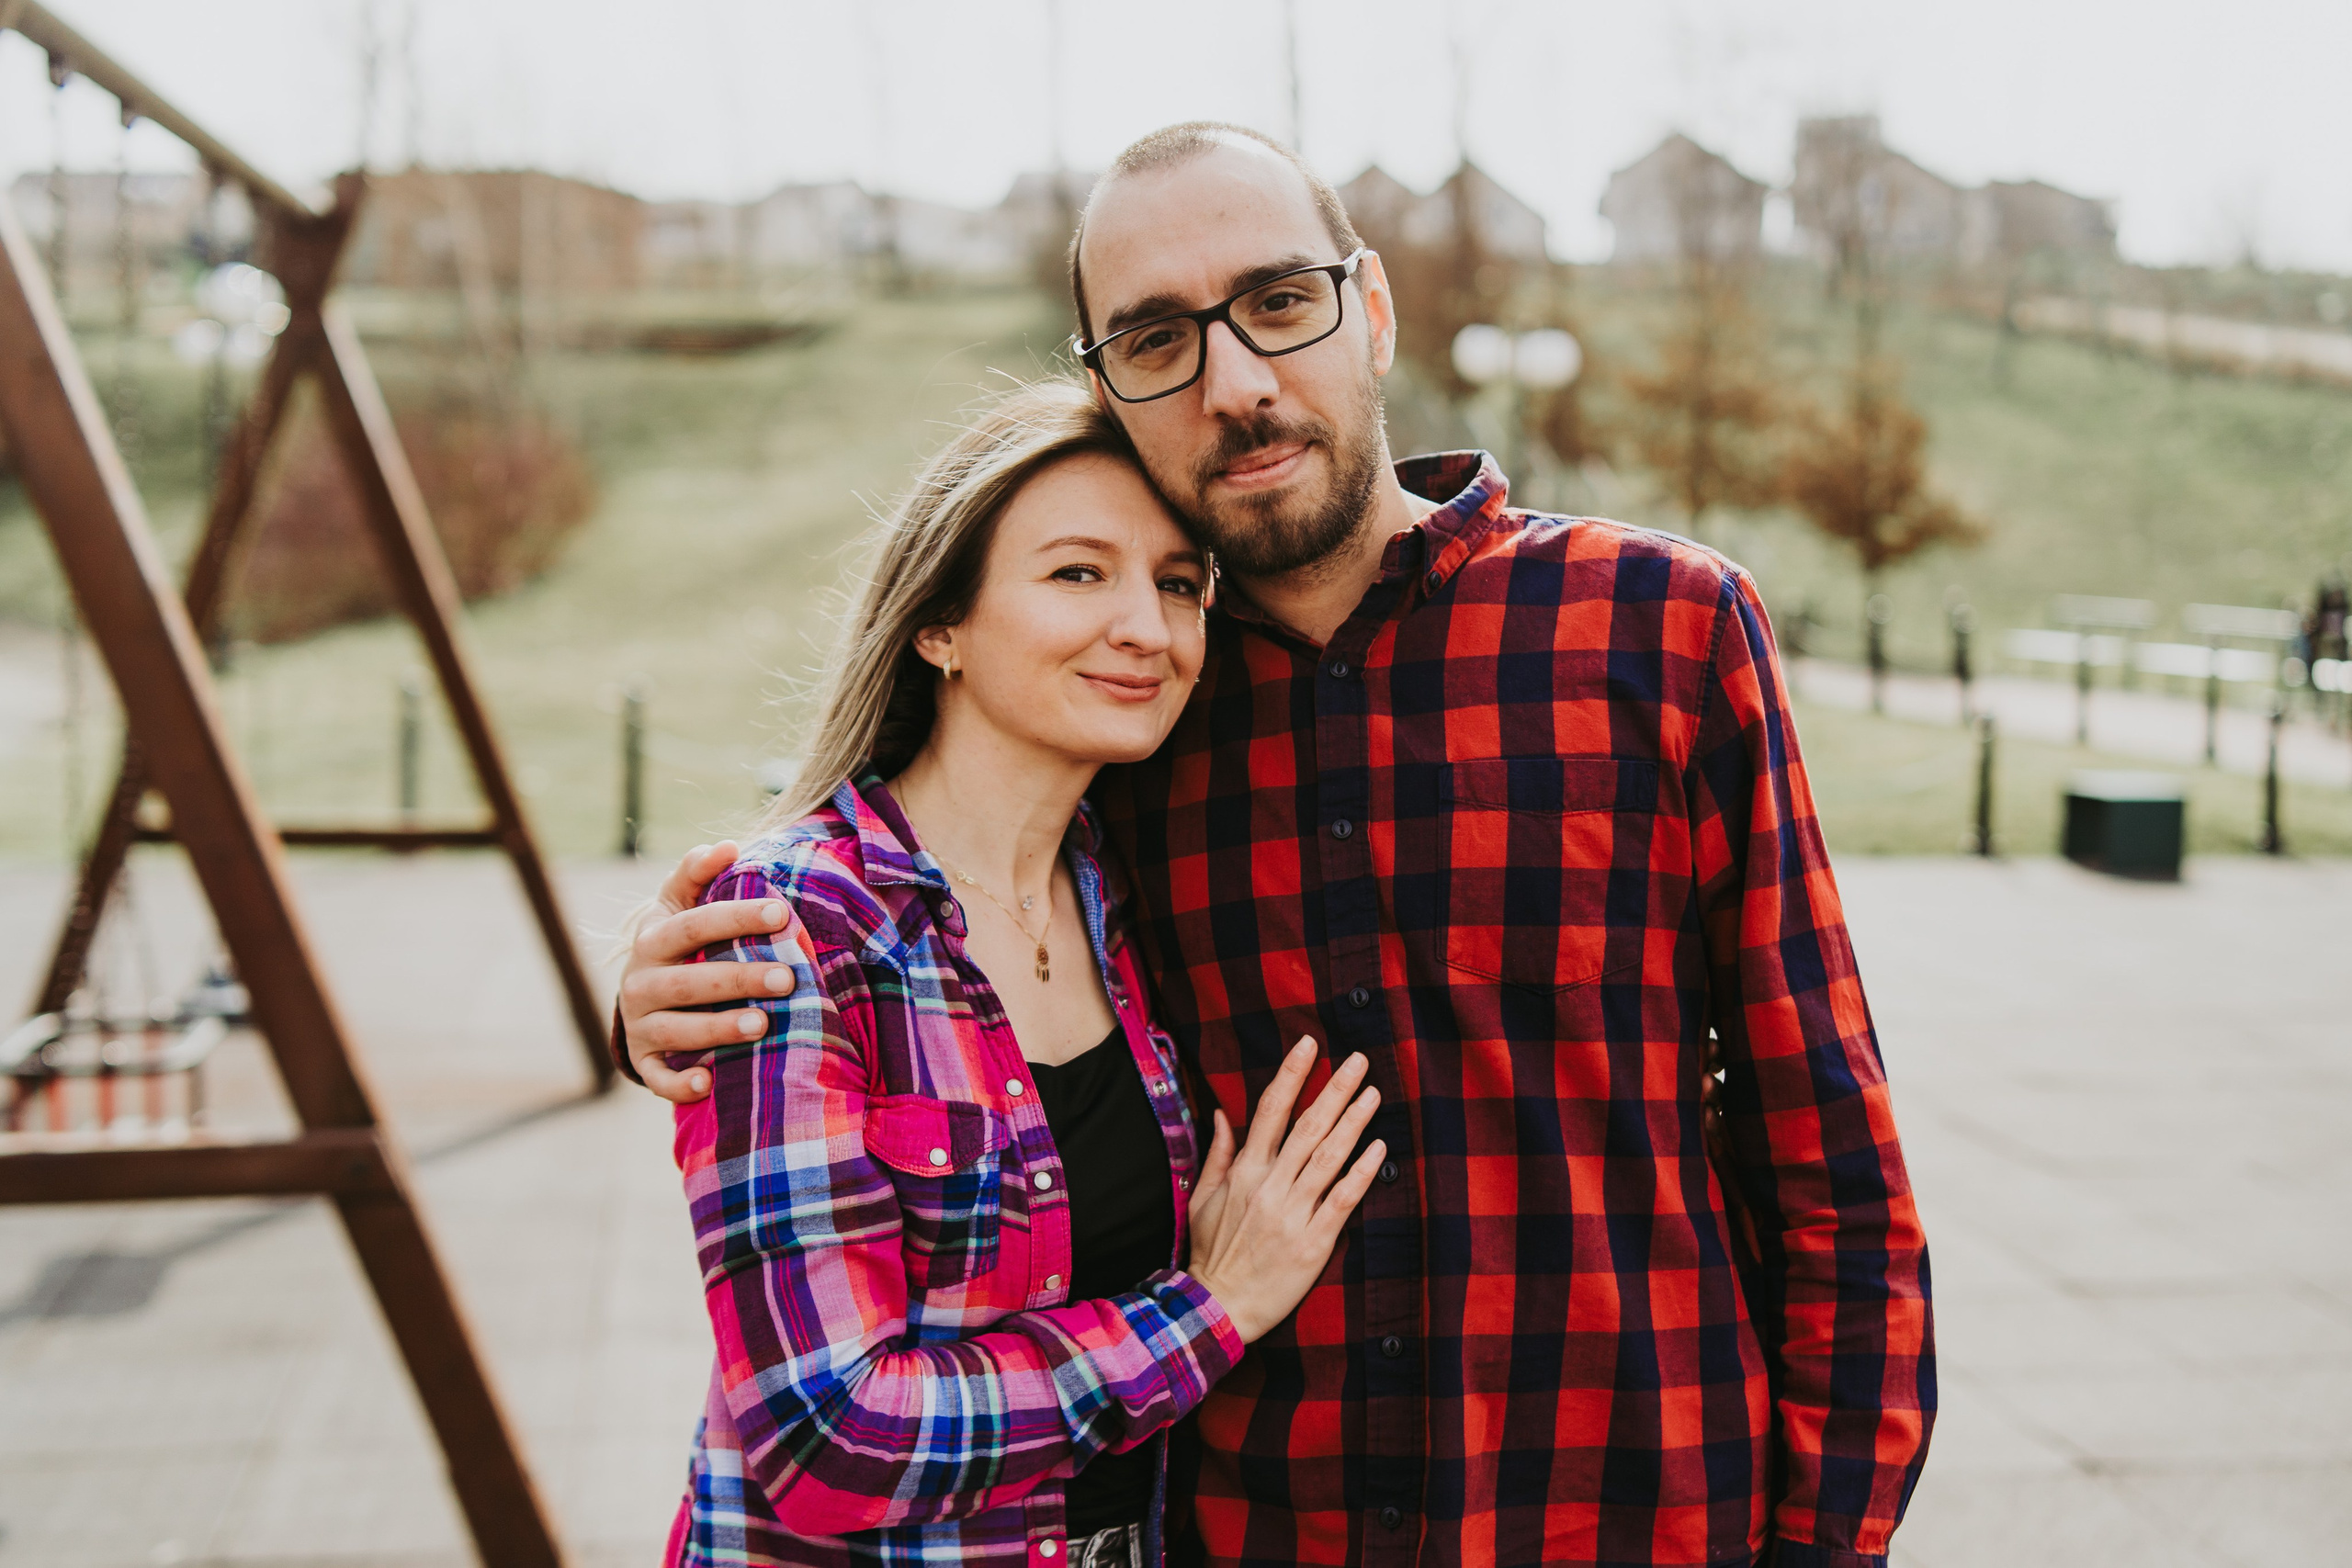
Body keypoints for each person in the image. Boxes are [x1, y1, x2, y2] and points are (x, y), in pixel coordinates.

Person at [621, 124, 1933, 1568]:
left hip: (1634, 1514)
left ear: (1370, 312)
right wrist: (676, 1001)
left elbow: (1831, 1170)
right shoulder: (1126, 708)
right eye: (1158, 339)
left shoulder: (1660, 628)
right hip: (1250, 1530)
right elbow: (917, 901)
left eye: (1280, 304)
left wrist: (1828, 1543)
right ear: (1108, 386)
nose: (1235, 383)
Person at [660, 381, 1387, 1568]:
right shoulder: (797, 928)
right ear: (939, 625)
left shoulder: (1131, 902)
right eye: (1078, 574)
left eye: (1178, 584)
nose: (1148, 628)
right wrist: (1212, 1311)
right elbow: (827, 1436)